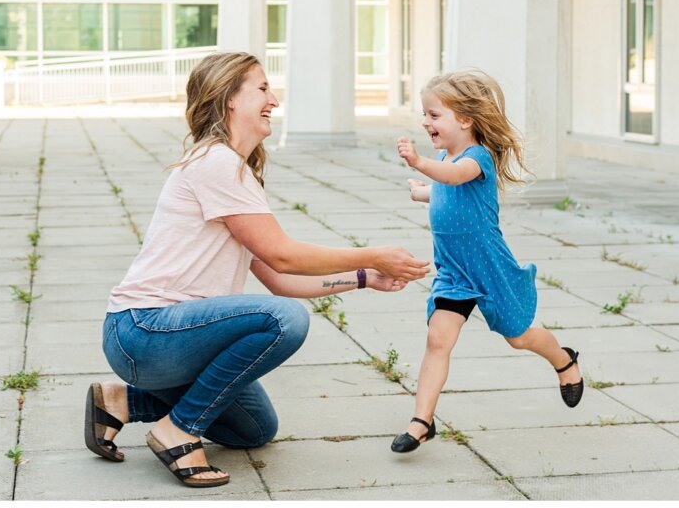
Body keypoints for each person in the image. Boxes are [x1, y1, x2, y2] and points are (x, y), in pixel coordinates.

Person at [85, 52, 429, 487]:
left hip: (167, 340)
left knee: (253, 429)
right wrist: (370, 254)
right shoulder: (217, 163)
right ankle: (177, 431)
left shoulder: (234, 169)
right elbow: (284, 256)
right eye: (263, 89)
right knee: (284, 320)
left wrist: (365, 278)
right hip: (146, 330)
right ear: (230, 98)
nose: (275, 100)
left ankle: (122, 403)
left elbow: (277, 276)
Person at [390, 69, 584, 453]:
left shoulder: (475, 158)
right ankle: (421, 422)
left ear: (465, 119)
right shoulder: (447, 157)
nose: (425, 122)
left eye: (433, 114)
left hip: (489, 268)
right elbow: (447, 190)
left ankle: (564, 360)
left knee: (519, 336)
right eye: (424, 114)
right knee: (437, 339)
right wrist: (422, 193)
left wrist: (418, 163)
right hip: (455, 273)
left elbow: (455, 176)